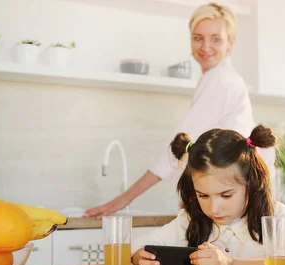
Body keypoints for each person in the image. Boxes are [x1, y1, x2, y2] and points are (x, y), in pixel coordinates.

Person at [84, 2, 274, 218]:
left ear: (230, 43)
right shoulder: (219, 78)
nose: (205, 46)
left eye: (216, 39)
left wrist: (123, 199)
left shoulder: (221, 80)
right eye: (198, 37)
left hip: (231, 202)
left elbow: (177, 148)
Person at [131, 125, 285, 265]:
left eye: (226, 195)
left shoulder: (276, 216)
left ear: (251, 183)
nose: (213, 208)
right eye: (203, 196)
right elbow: (136, 246)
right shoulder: (189, 220)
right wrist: (141, 258)